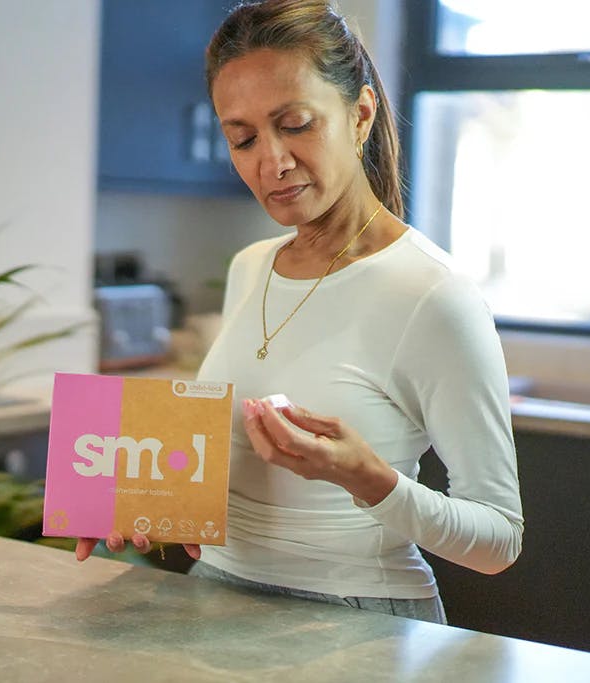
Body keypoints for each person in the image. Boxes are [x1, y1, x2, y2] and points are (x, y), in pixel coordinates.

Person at [76, 0, 523, 624]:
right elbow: (239, 479)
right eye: (243, 138)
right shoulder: (250, 267)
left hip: (360, 618)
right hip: (215, 602)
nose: (272, 162)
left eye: (296, 124)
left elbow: (499, 539)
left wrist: (367, 477)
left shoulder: (431, 294)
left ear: (360, 114)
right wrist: (140, 498)